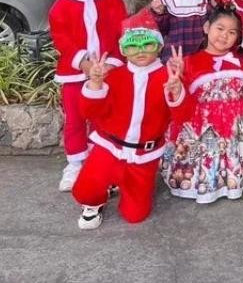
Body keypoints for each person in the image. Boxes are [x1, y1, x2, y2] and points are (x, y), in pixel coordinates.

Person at [71, 13, 187, 229]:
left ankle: (120, 182)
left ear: (159, 46)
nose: (141, 51)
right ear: (123, 50)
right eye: (132, 46)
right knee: (86, 190)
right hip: (109, 147)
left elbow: (182, 117)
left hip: (144, 155)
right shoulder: (114, 76)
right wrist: (95, 84)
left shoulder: (167, 76)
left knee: (135, 216)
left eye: (148, 44)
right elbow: (89, 111)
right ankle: (95, 202)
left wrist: (177, 90)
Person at [161, 6, 243, 204]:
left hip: (236, 127)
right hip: (202, 126)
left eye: (232, 32)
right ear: (207, 27)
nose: (224, 36)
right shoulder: (188, 62)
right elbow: (181, 106)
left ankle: (232, 182)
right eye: (220, 28)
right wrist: (177, 84)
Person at [49, 0, 127, 192]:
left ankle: (102, 160)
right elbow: (62, 39)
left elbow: (120, 36)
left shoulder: (114, 2)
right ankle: (75, 163)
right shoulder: (61, 5)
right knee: (75, 119)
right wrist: (83, 63)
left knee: (103, 118)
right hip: (73, 74)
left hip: (108, 73)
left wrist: (111, 65)